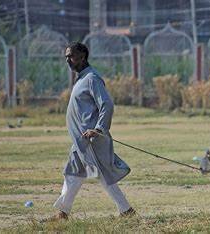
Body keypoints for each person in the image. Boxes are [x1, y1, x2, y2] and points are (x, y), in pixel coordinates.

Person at [47, 42, 135, 221]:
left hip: (91, 139)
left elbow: (106, 104)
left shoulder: (91, 78)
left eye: (71, 56)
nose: (68, 60)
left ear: (82, 56)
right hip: (81, 140)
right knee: (72, 173)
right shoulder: (81, 78)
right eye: (66, 57)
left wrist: (99, 129)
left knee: (102, 174)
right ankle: (62, 214)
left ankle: (126, 211)